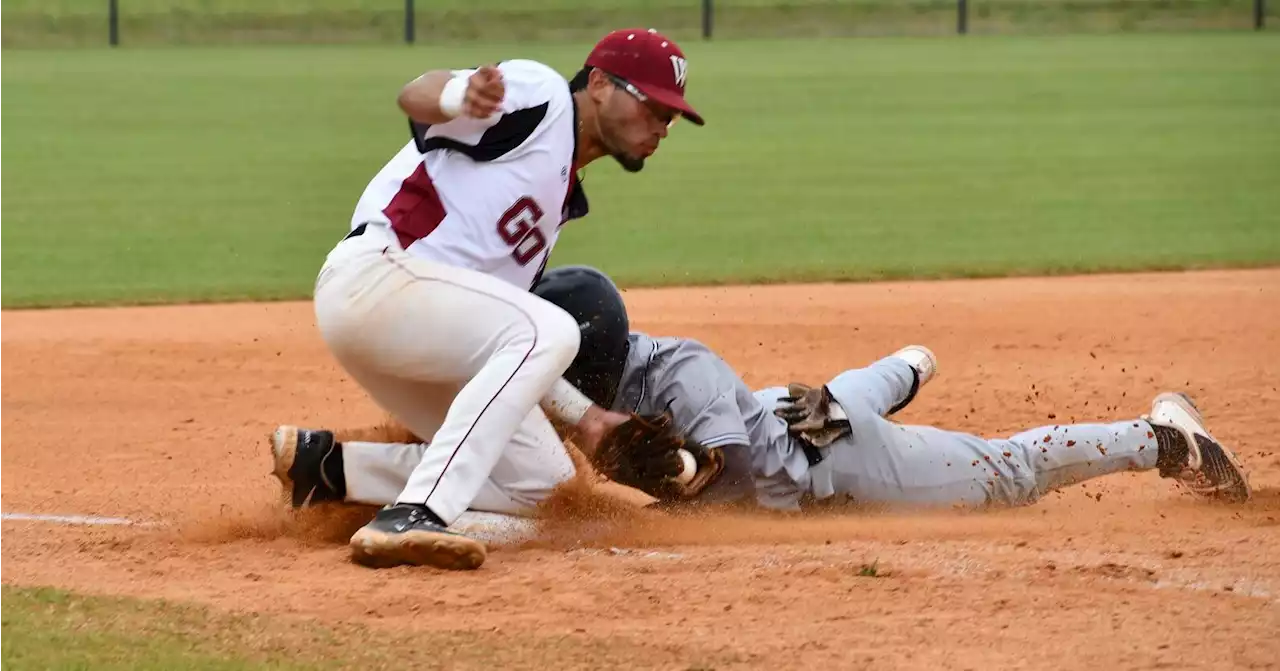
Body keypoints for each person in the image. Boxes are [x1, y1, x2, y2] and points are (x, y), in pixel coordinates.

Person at [272, 267, 1251, 532]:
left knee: (1002, 472)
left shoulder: (676, 373)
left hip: (825, 459)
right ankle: (906, 362)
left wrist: (668, 468)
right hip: (790, 409)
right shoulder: (591, 383)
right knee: (840, 393)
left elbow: (722, 483)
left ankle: (1154, 433)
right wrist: (338, 461)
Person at [303, 28, 705, 571]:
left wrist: (588, 422)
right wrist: (458, 97)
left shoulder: (557, 195)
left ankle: (332, 473)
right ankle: (417, 513)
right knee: (552, 328)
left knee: (549, 491)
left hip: (420, 332)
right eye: (653, 106)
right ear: (602, 84)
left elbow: (505, 354)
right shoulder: (541, 99)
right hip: (377, 278)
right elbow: (417, 94)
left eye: (671, 116)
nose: (661, 126)